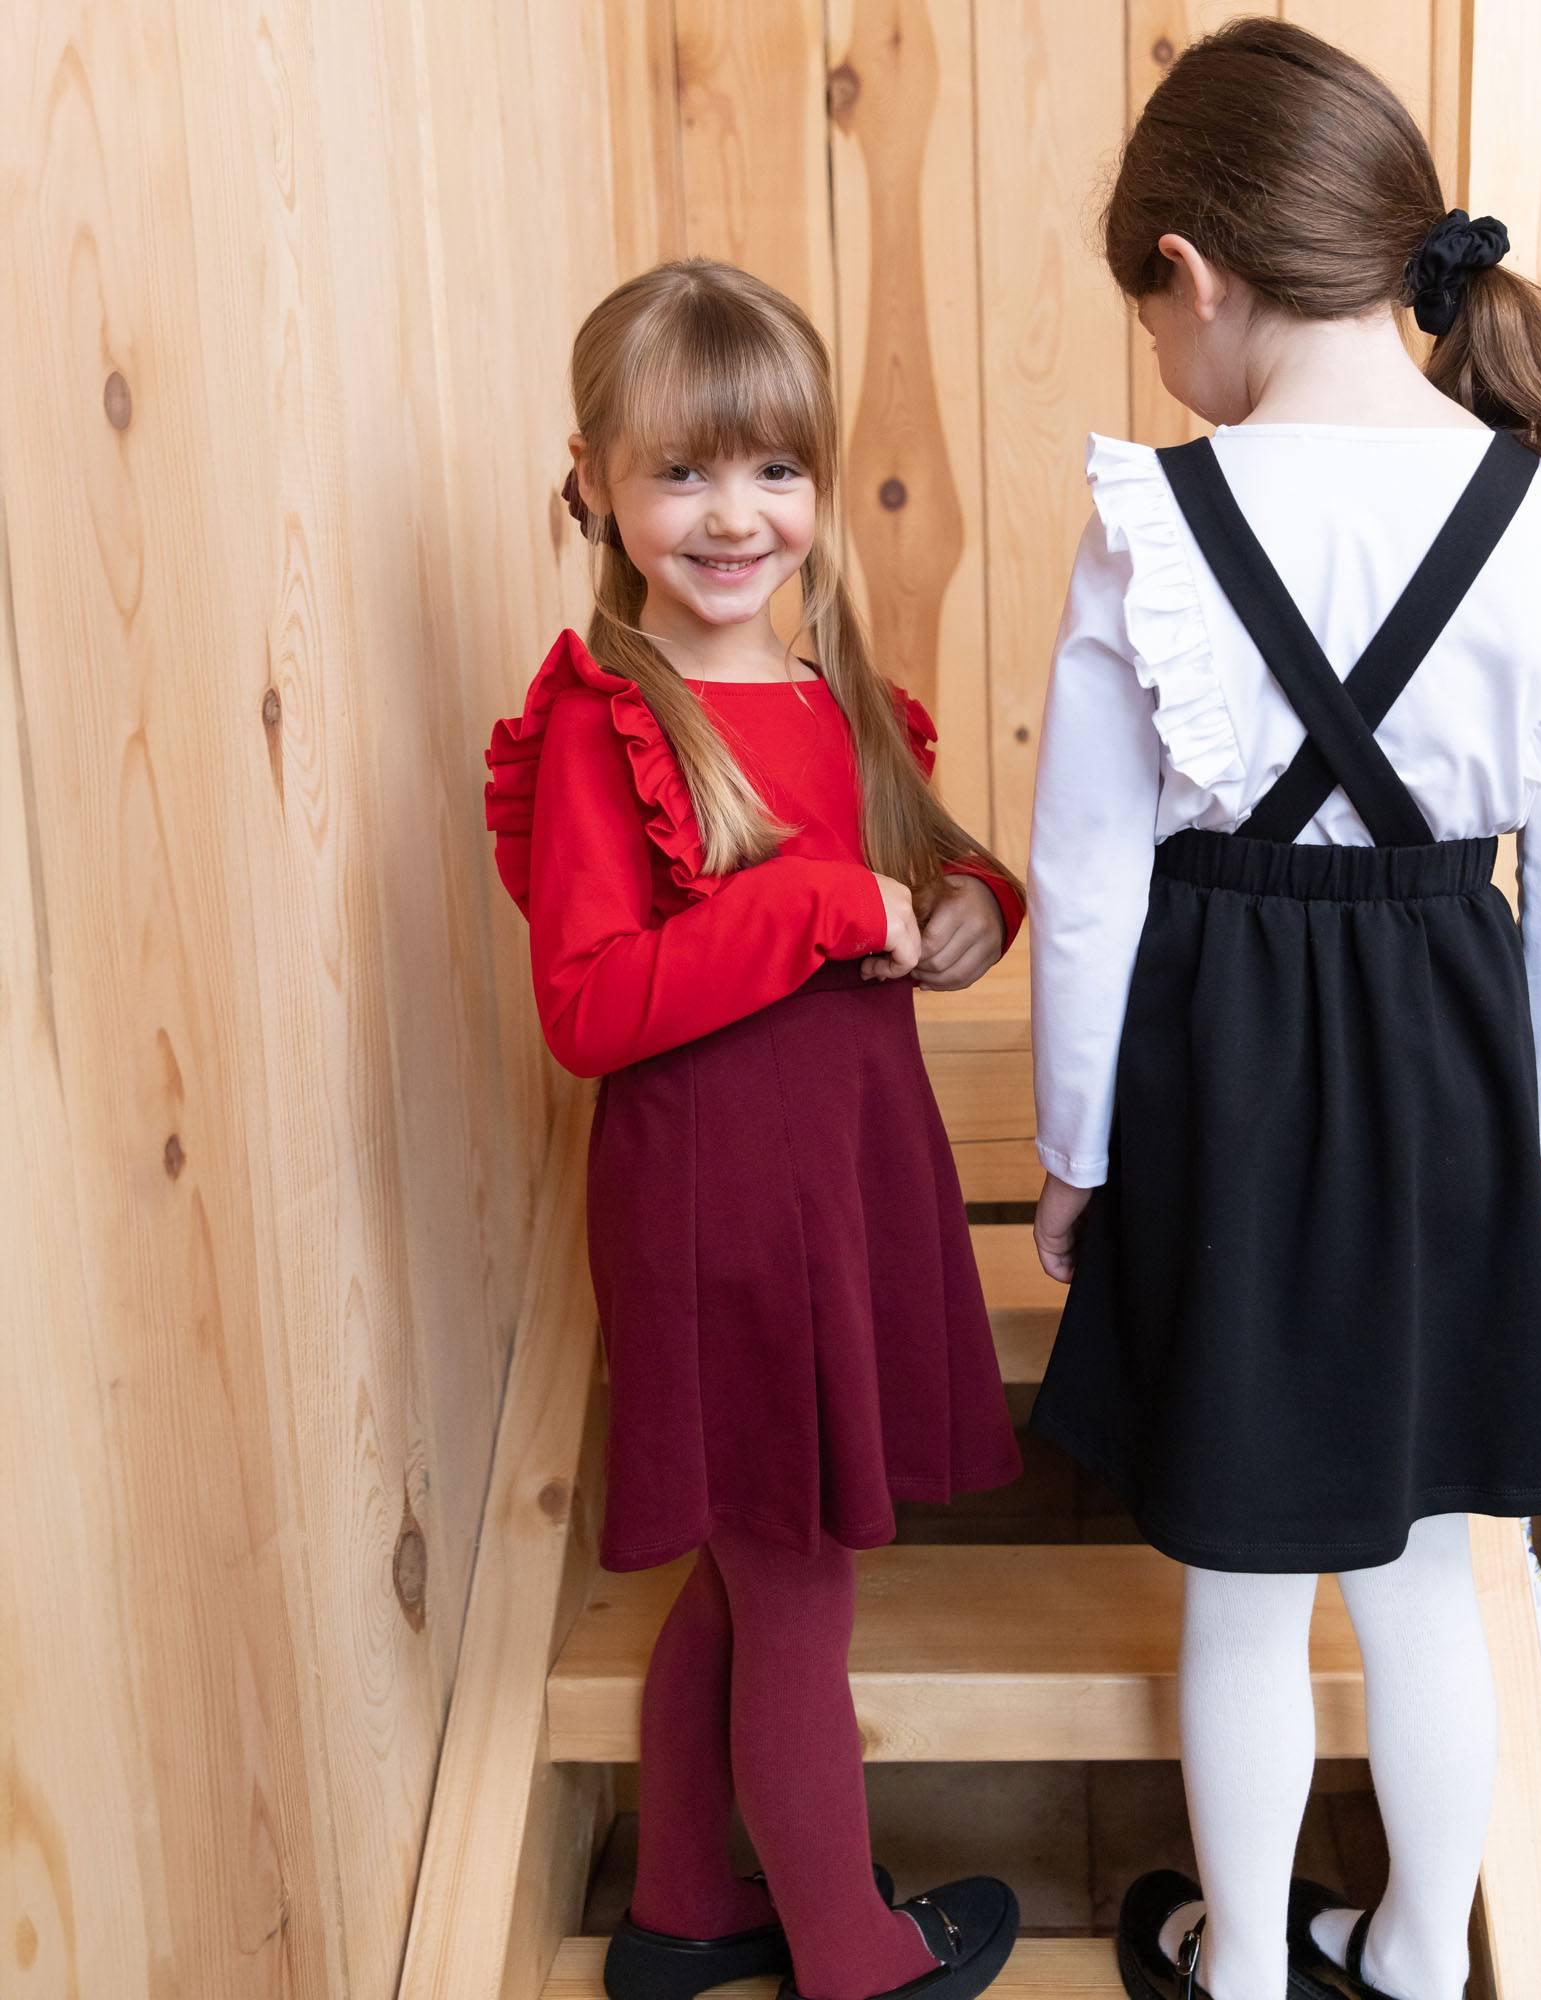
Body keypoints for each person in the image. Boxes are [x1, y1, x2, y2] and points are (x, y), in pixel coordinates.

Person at [1023, 22, 1541, 2000]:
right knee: (1425, 1580)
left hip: (1216, 1072)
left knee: (1234, 1590)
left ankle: (1231, 1968)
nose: (1159, 362)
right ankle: (1395, 1953)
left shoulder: (1153, 523)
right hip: (1449, 1075)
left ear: (1194, 271)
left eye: (1150, 314)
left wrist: (1070, 1159)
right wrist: (1537, 1151)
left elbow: (1087, 890)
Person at [486, 258, 1026, 2000]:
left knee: (738, 1584)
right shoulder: (603, 724)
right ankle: (852, 1958)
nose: (736, 516)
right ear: (595, 483)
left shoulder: (832, 697)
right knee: (795, 1587)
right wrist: (817, 909)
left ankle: (691, 1908)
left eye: (775, 471)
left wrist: (966, 908)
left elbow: (923, 868)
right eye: (684, 474)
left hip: (845, 1195)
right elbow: (588, 1006)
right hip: (721, 1225)